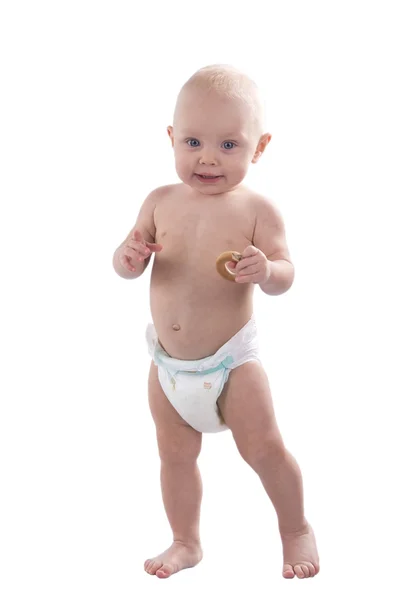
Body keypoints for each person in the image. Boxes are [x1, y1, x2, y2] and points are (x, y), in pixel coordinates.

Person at [112, 64, 320, 580]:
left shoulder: (256, 210)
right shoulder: (160, 201)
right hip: (168, 369)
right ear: (171, 137)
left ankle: (295, 528)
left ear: (260, 146)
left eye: (229, 145)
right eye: (193, 141)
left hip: (232, 367)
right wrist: (130, 256)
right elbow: (123, 263)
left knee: (266, 448)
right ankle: (185, 541)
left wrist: (266, 269)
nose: (207, 157)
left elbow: (286, 274)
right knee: (175, 457)